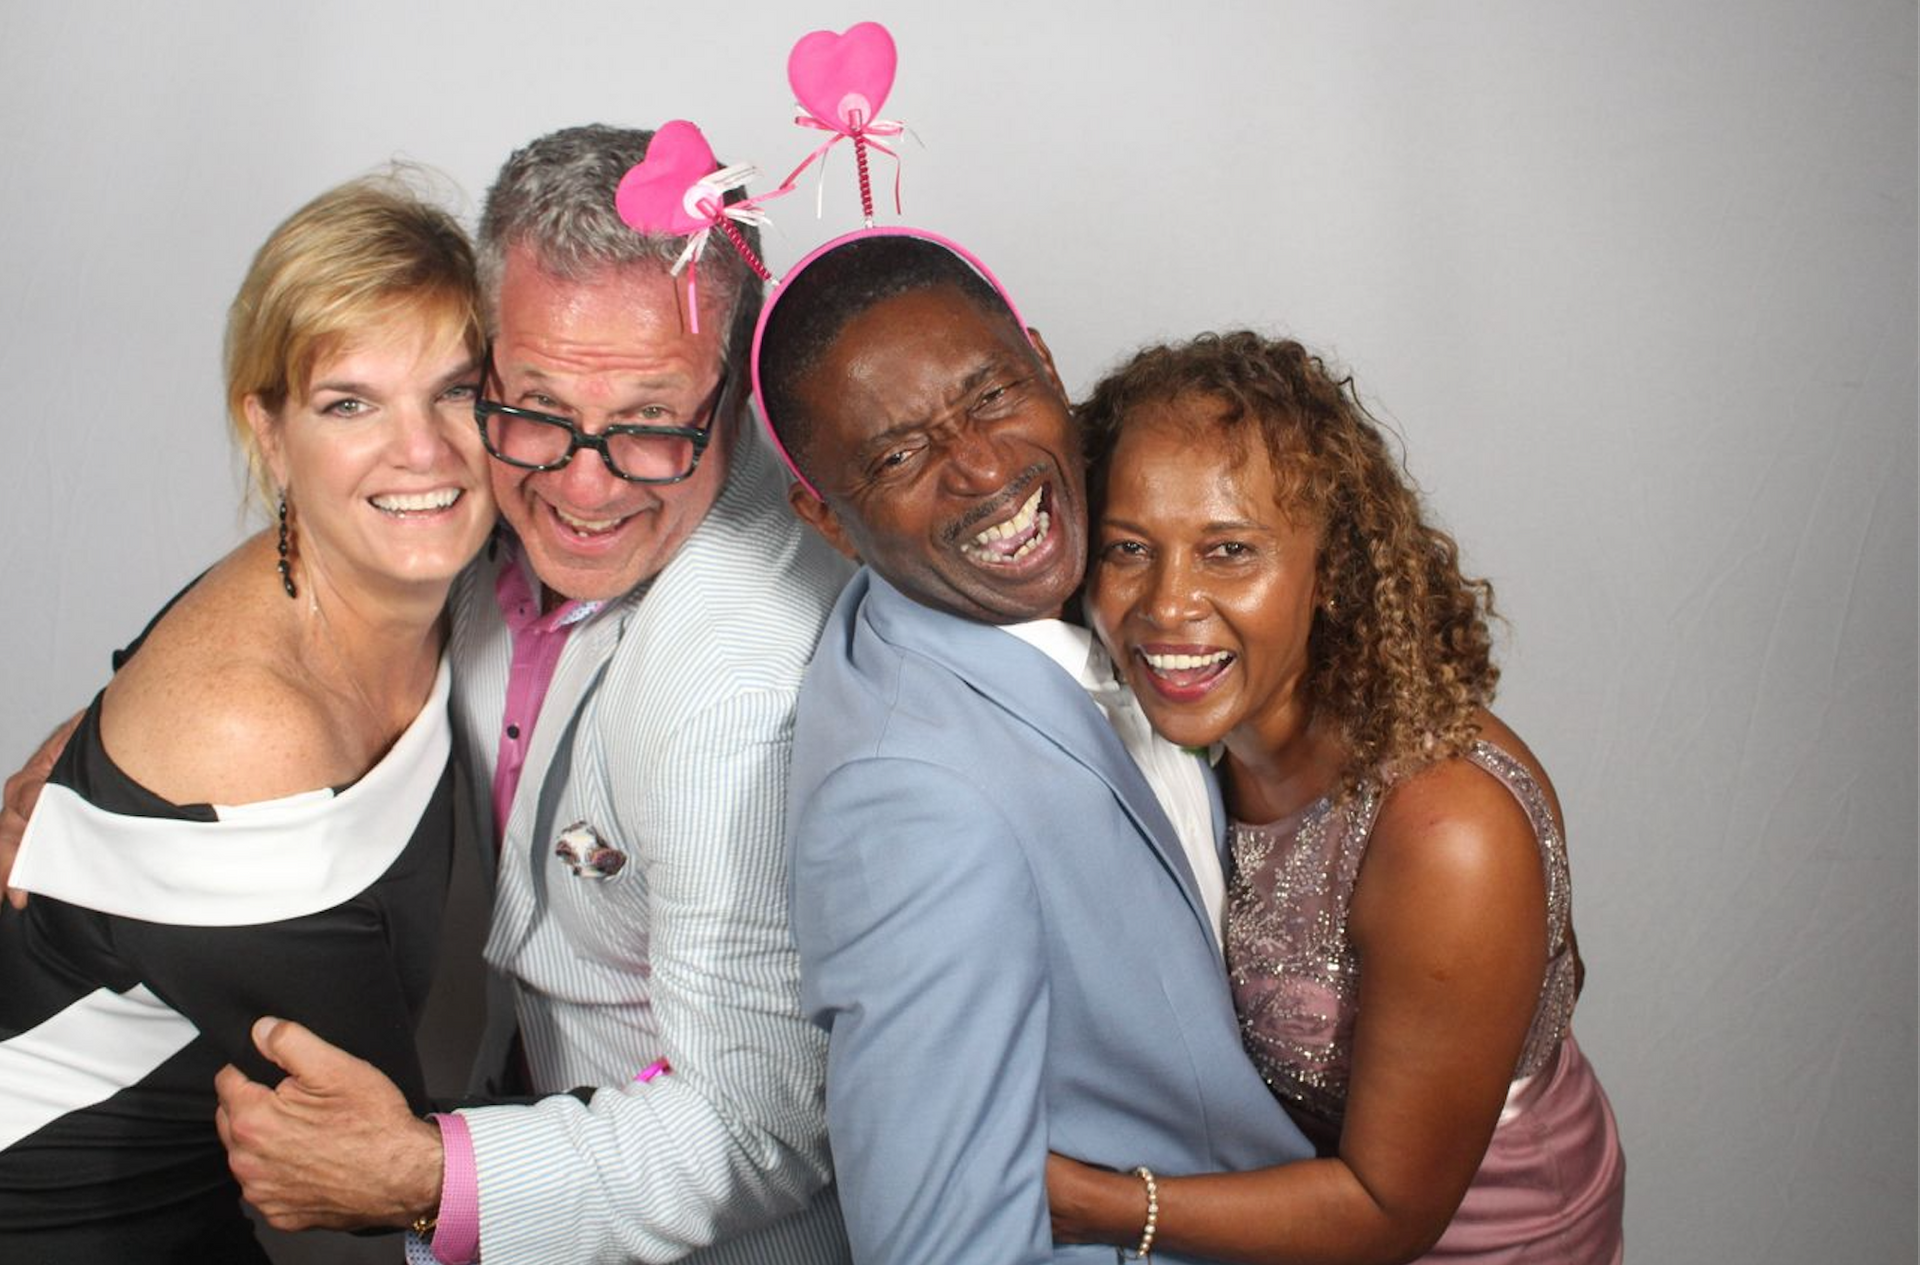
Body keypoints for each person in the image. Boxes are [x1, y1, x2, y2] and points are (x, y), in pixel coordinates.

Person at [1, 126, 853, 1265]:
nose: (586, 481)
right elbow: (340, 545)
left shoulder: (731, 684)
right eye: (533, 403)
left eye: (651, 421)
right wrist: (118, 739)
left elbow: (758, 1129)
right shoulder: (488, 478)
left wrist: (428, 1176)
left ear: (731, 395)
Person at [750, 229, 1316, 1265]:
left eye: (993, 396)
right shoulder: (912, 807)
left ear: (1048, 367)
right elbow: (945, 1244)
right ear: (826, 521)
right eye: (897, 455)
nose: (980, 466)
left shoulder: (1133, 569)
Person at [1046, 331, 1625, 1263]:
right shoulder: (1191, 735)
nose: (1167, 604)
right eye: (1128, 548)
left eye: (1229, 550)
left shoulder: (1446, 833)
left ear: (1331, 571)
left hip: (1472, 1240)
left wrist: (1093, 1204)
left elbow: (1387, 1210)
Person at [0, 174, 494, 1263]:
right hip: (57, 1206)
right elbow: (365, 1165)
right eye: (349, 402)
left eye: (456, 391)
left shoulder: (429, 562)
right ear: (267, 431)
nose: (423, 452)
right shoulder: (245, 731)